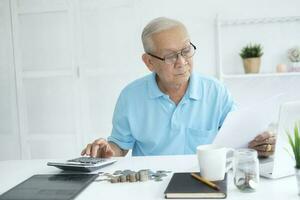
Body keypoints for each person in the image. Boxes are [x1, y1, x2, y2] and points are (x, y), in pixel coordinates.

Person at [81, 17, 276, 158]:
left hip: (204, 180)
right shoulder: (130, 96)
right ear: (149, 62)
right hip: (149, 182)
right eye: (170, 56)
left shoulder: (216, 92)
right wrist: (107, 150)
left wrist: (259, 143)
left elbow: (239, 138)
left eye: (186, 50)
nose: (182, 62)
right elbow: (120, 146)